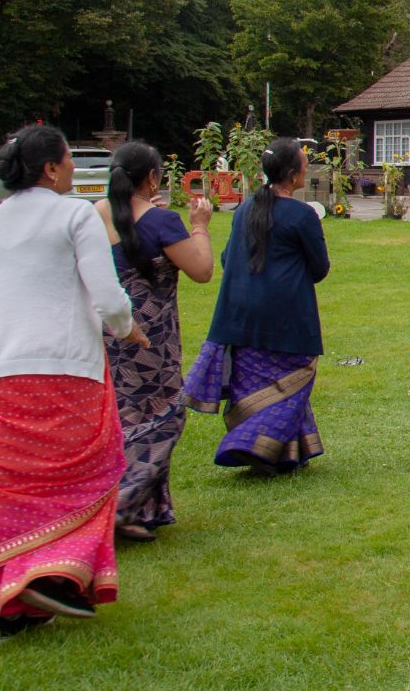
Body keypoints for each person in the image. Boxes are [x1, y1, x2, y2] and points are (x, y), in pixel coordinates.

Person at [0, 124, 143, 644]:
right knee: (86, 472)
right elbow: (109, 298)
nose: (74, 169)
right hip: (55, 370)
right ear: (50, 169)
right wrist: (126, 328)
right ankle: (50, 576)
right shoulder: (73, 214)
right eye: (69, 160)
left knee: (4, 493)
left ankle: (9, 607)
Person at [185, 138, 329, 474]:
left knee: (253, 383)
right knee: (290, 382)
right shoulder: (301, 215)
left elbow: (227, 257)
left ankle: (286, 452)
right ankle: (250, 445)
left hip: (240, 314)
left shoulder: (245, 209)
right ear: (293, 176)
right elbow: (319, 269)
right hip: (285, 316)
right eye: (304, 166)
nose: (306, 171)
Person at [95, 142, 214, 541]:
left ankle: (141, 510)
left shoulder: (92, 217)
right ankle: (121, 504)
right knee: (165, 416)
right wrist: (198, 226)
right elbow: (201, 270)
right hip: (153, 341)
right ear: (151, 178)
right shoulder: (162, 224)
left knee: (122, 416)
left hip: (107, 336)